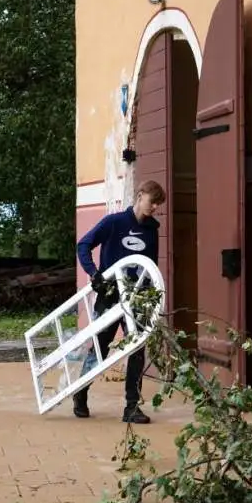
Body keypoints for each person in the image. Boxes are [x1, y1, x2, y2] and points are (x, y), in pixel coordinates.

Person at [74, 179, 165, 423]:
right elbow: (83, 245)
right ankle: (80, 393)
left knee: (137, 348)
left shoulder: (151, 229)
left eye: (158, 204)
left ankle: (132, 407)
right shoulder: (114, 222)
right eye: (152, 201)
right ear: (140, 195)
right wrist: (95, 274)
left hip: (137, 298)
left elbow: (150, 266)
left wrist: (150, 298)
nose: (154, 207)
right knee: (101, 347)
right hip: (110, 294)